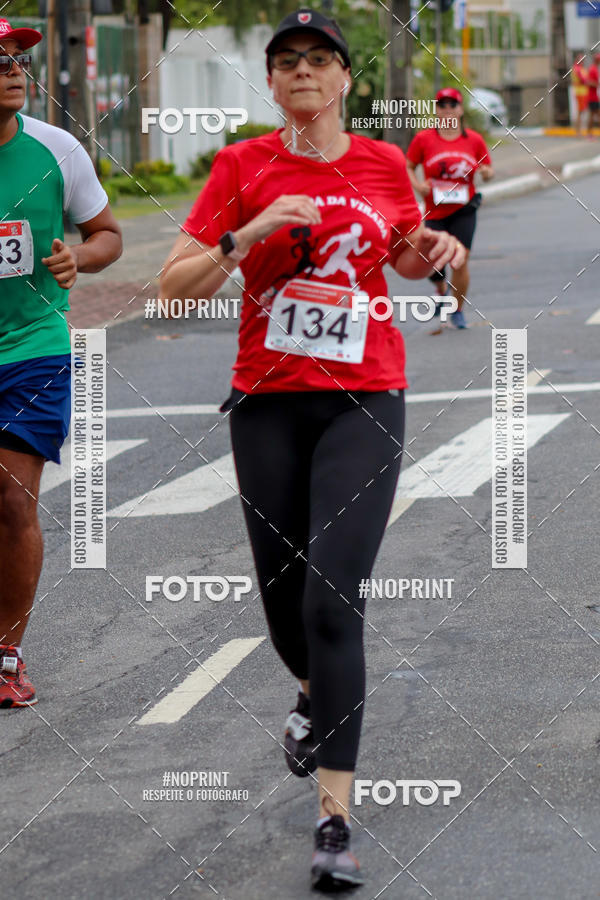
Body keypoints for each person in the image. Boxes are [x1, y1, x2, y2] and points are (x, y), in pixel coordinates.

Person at [159, 8, 465, 892]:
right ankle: (309, 695)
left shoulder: (380, 162)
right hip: (265, 405)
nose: (302, 71)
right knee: (287, 605)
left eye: (318, 59)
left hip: (365, 398)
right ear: (274, 81)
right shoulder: (241, 166)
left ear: (344, 81)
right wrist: (248, 234)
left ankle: (334, 822)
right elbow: (174, 292)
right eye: (286, 60)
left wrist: (439, 251)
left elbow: (409, 258)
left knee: (335, 600)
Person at [0, 19, 122, 707]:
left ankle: (6, 655)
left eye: (18, 59)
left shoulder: (57, 149)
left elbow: (106, 234)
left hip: (32, 348)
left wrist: (81, 258)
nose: (15, 70)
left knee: (13, 499)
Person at [406, 87, 493, 329]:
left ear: (460, 109)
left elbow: (488, 170)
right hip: (435, 211)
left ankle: (457, 310)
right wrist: (418, 186)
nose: (447, 110)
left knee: (459, 259)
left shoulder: (473, 140)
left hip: (464, 209)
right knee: (433, 262)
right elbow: (408, 165)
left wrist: (486, 173)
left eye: (452, 105)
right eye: (442, 105)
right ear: (436, 111)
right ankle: (440, 288)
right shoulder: (424, 139)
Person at [572, 52, 589, 136]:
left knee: (581, 111)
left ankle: (579, 130)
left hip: (583, 92)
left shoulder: (581, 68)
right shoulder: (577, 68)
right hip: (580, 92)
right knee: (580, 111)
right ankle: (578, 130)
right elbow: (583, 80)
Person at [587, 52, 600, 136]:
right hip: (592, 97)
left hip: (595, 96)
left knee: (592, 116)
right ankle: (589, 133)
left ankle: (589, 133)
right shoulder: (592, 69)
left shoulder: (595, 68)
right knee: (594, 116)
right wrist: (597, 84)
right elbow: (589, 82)